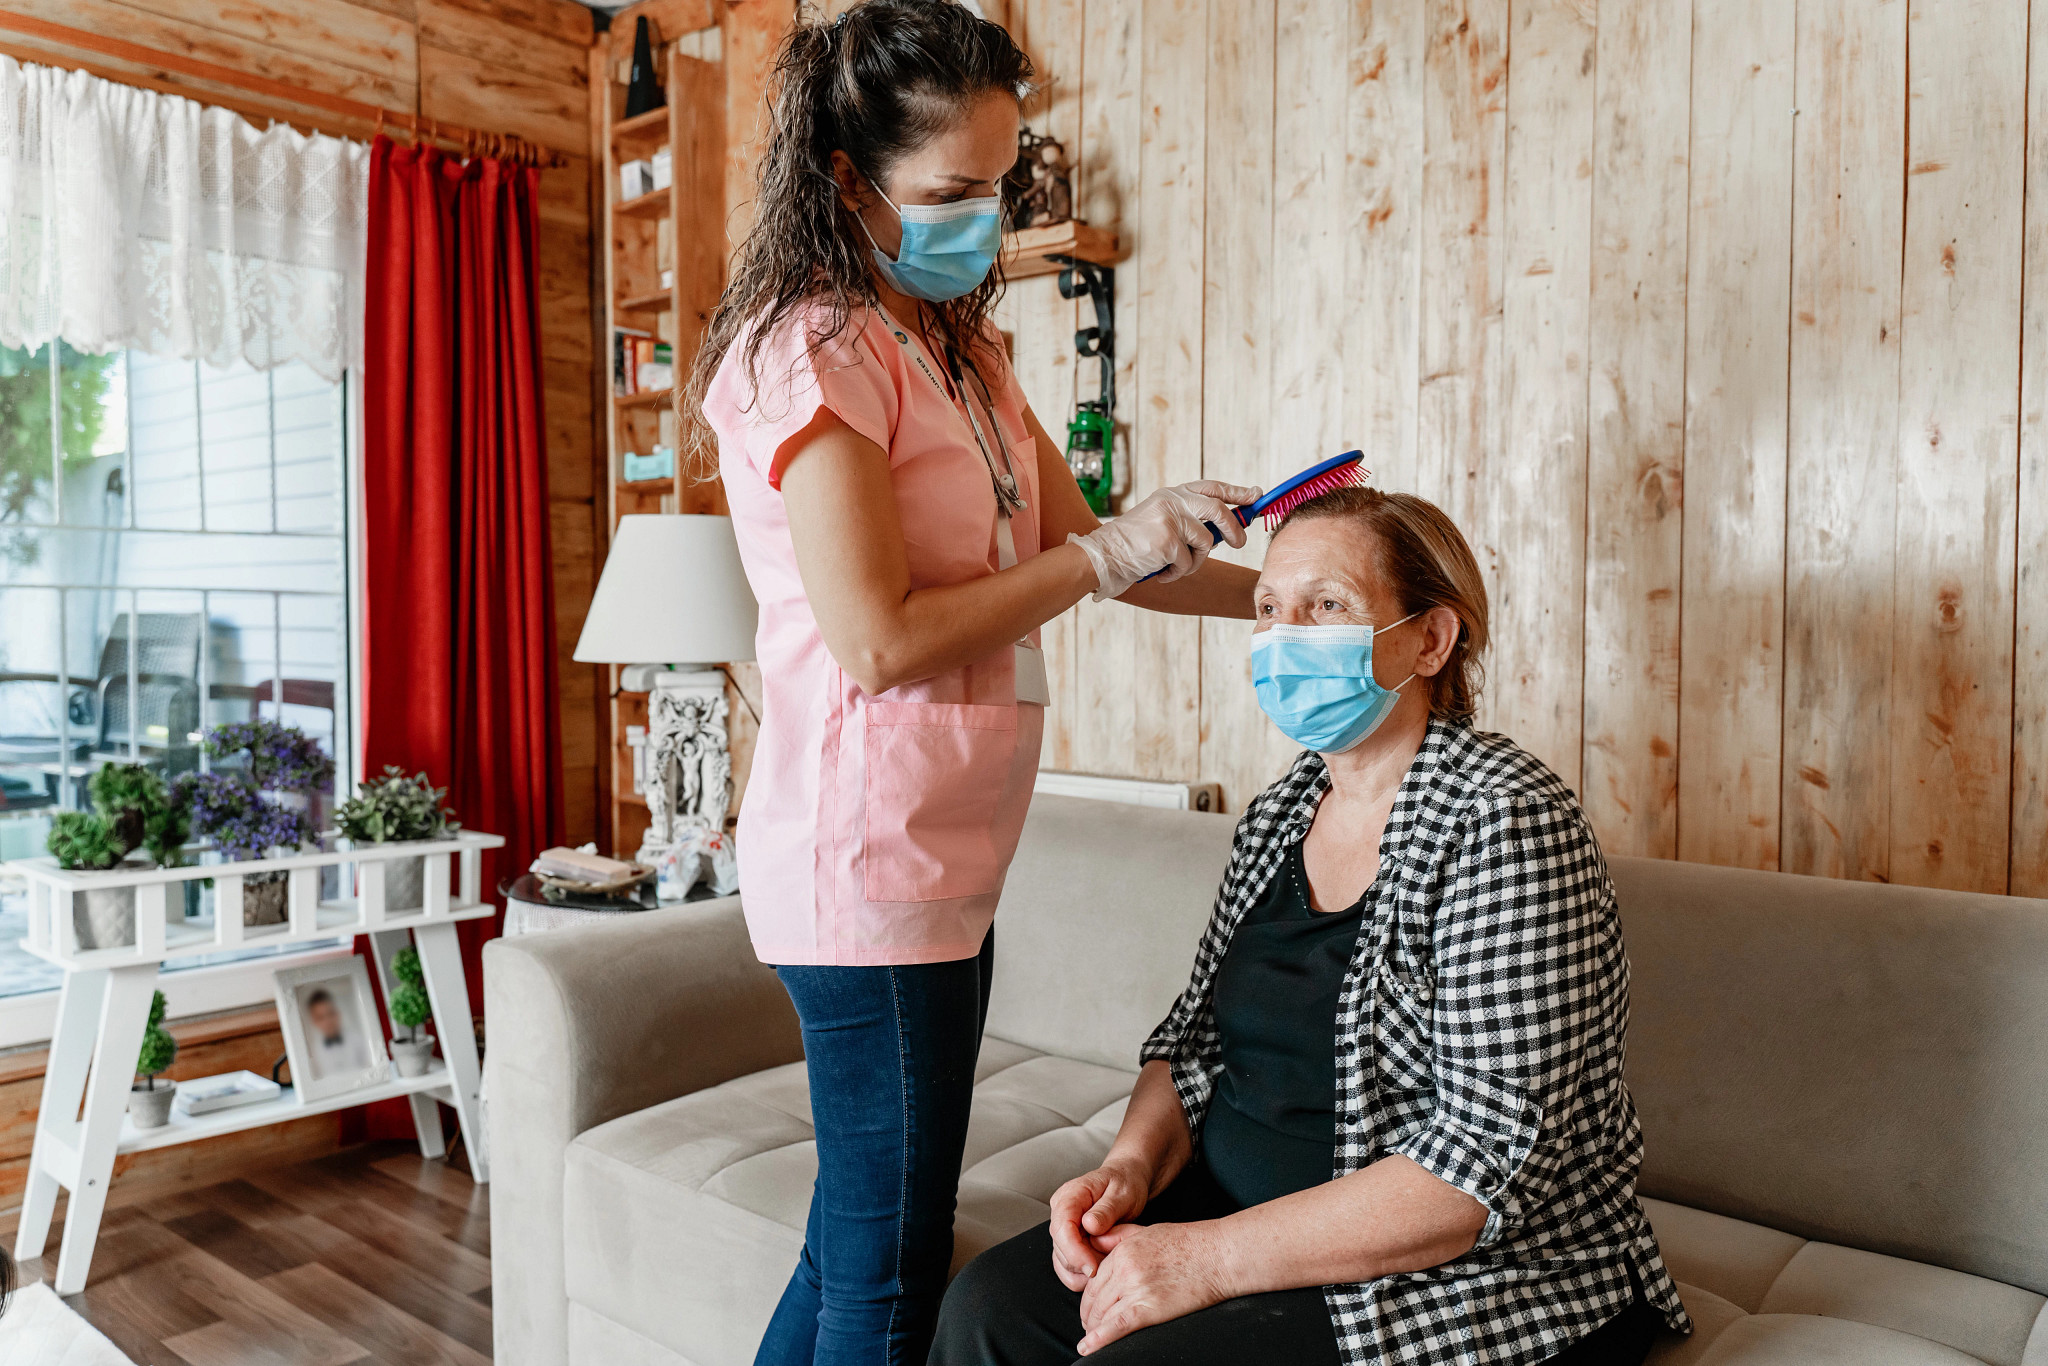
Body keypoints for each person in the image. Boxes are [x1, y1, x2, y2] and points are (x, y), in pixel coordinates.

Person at [681, 3, 1262, 1362]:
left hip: (947, 865)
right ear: (846, 179)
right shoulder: (806, 350)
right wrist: (1108, 548)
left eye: (999, 187)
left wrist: (1296, 595)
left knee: (852, 1236)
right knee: (886, 1277)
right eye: (949, 193)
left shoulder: (962, 350)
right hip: (862, 870)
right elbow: (878, 638)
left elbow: (1107, 558)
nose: (982, 221)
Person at [931, 486, 1693, 1366]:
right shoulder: (1282, 809)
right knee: (988, 1307)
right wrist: (1130, 1170)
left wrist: (1202, 1260)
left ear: (1430, 639)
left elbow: (1482, 1165)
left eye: (1326, 605)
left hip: (1454, 1266)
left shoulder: (1506, 821)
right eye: (1268, 609)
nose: (1285, 635)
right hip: (1237, 1212)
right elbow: (1194, 1041)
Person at [303, 987, 368, 1079]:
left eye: (331, 1014)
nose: (328, 1021)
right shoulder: (313, 1052)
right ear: (314, 1022)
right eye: (320, 1018)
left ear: (338, 1013)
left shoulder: (358, 1040)